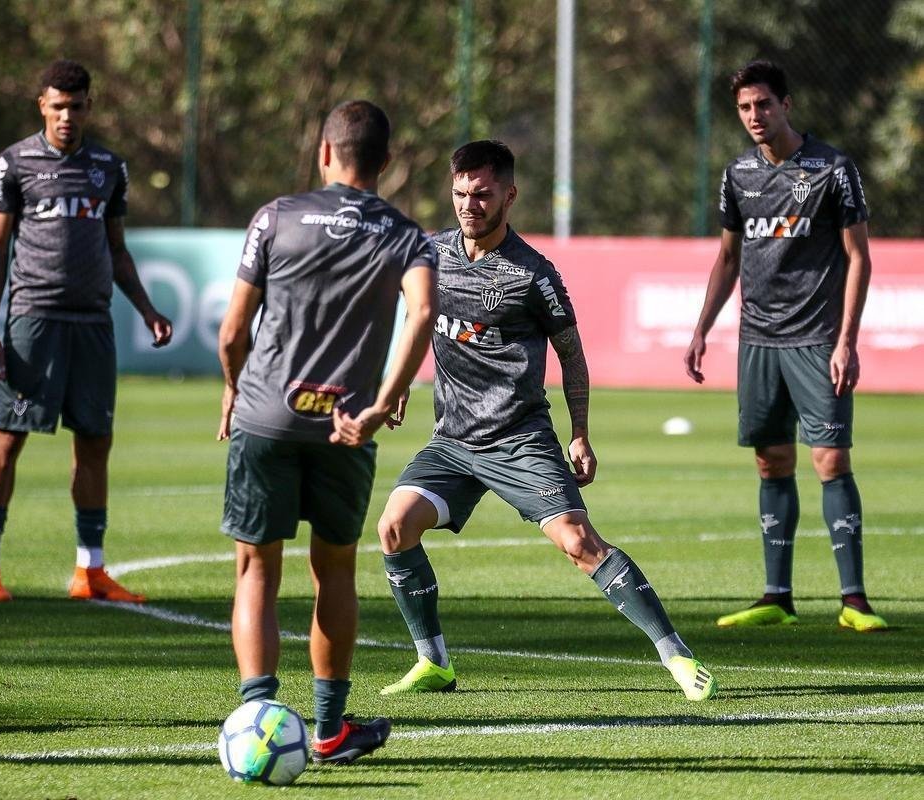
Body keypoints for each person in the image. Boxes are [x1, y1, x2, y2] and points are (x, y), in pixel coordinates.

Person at [367, 140, 717, 702]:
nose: (469, 205)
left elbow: (572, 356)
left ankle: (675, 653)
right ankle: (434, 662)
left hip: (519, 438)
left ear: (510, 194)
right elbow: (414, 315)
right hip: (453, 441)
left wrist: (579, 431)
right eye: (459, 194)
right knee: (393, 527)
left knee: (578, 542)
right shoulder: (431, 255)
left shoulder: (534, 275)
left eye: (481, 195)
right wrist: (403, 381)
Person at [217, 99, 438, 765]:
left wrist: (233, 389)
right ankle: (329, 730)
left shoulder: (274, 218)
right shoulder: (406, 236)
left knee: (257, 566)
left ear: (323, 152)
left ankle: (257, 721)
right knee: (334, 568)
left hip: (265, 416)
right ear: (386, 163)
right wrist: (385, 401)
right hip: (344, 426)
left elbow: (232, 332)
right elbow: (423, 311)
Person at [684, 60, 887, 632]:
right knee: (770, 461)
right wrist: (702, 328)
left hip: (818, 338)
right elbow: (727, 258)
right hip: (758, 340)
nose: (754, 116)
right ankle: (777, 596)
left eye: (764, 105)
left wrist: (847, 340)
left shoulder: (831, 169)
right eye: (745, 107)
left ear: (786, 105)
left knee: (830, 459)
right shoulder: (738, 175)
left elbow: (859, 257)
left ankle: (855, 601)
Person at [0, 59, 172, 604]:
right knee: (8, 440)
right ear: (42, 104)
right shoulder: (14, 163)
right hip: (32, 320)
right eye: (57, 105)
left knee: (94, 442)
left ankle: (90, 570)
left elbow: (117, 249)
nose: (66, 115)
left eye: (76, 105)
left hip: (93, 323)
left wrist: (148, 309)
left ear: (89, 106)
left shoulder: (109, 168)